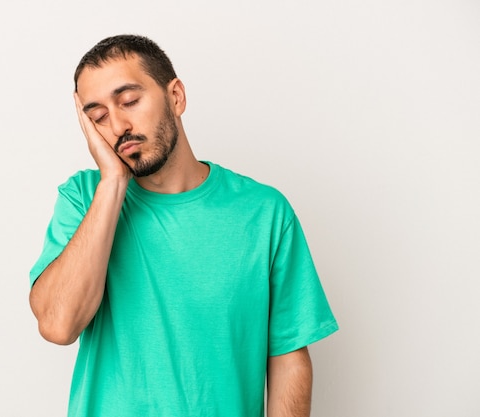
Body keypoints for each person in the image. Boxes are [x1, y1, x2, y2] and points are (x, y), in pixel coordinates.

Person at [29, 34, 338, 417]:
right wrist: (112, 182)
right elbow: (59, 325)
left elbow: (288, 357)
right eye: (98, 116)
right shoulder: (82, 198)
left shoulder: (263, 212)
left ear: (175, 97)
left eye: (129, 102)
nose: (118, 125)